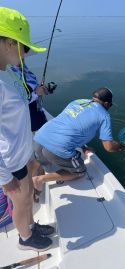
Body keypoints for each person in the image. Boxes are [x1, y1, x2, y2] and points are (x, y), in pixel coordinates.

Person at [0, 7, 54, 251]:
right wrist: (4, 178)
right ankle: (25, 238)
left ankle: (31, 226)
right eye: (24, 46)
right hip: (11, 163)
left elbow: (20, 100)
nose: (26, 52)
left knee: (29, 191)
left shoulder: (8, 73)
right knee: (21, 202)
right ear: (9, 42)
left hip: (23, 152)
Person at [32, 87, 125, 196]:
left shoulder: (77, 101)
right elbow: (109, 147)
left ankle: (35, 191)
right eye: (110, 105)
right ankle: (40, 179)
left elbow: (70, 125)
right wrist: (123, 146)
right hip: (56, 148)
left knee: (44, 162)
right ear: (107, 103)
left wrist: (83, 147)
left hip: (39, 138)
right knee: (80, 172)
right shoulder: (104, 115)